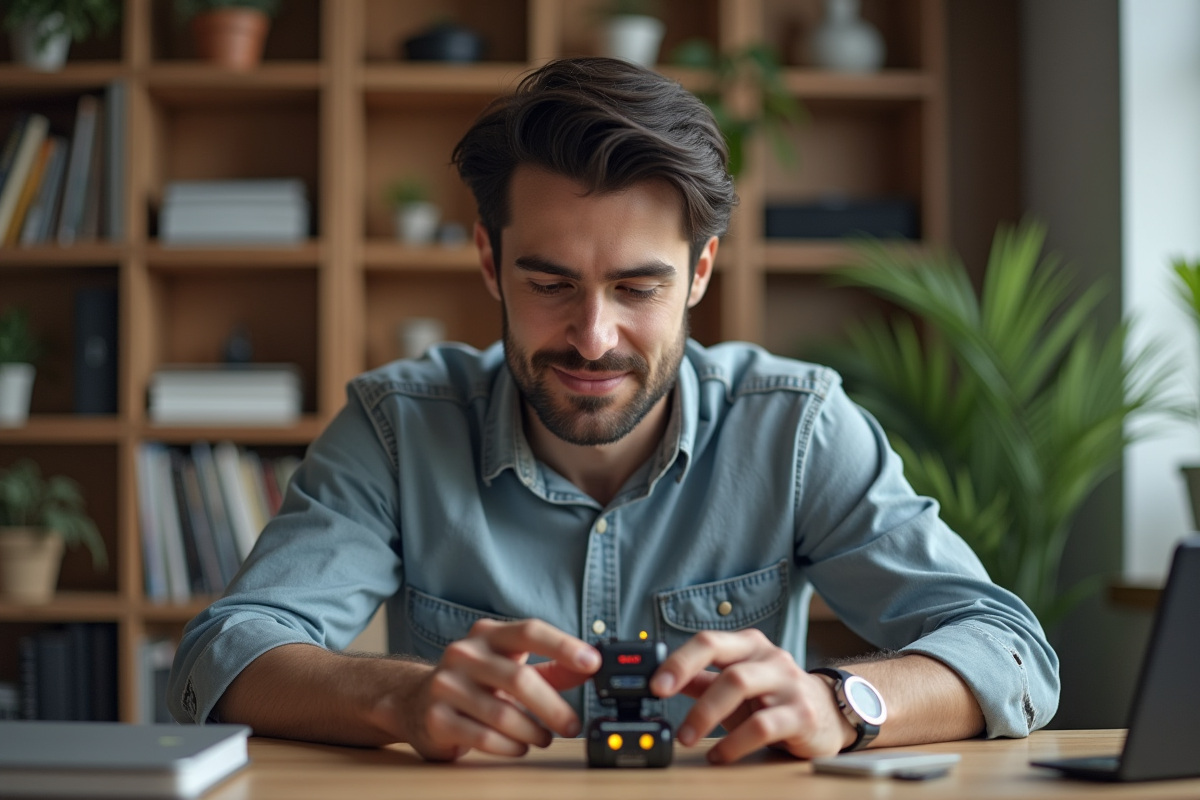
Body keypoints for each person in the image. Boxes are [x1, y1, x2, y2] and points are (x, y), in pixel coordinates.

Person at [168, 57, 1058, 765]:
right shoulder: (398, 427)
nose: (593, 338)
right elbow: (226, 651)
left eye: (638, 286)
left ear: (701, 272)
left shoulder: (798, 427)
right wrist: (398, 695)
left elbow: (1009, 648)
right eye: (550, 283)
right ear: (489, 261)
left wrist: (841, 701)